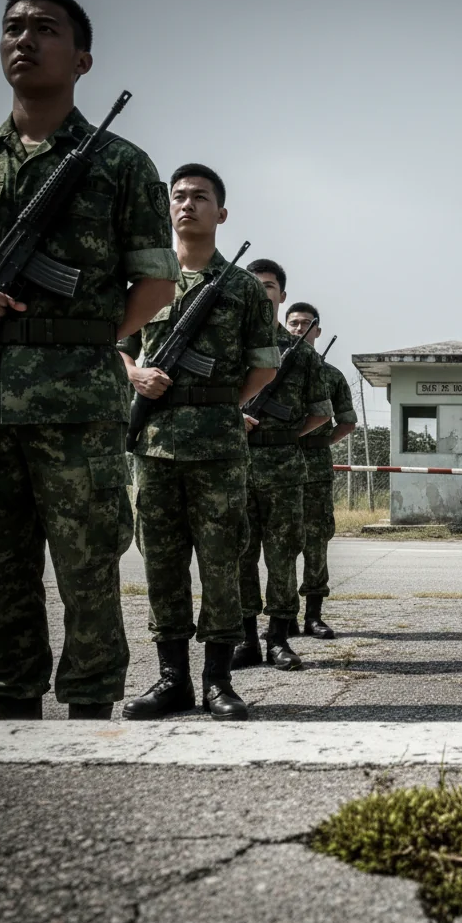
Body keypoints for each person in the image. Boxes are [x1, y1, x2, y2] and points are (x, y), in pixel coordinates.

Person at [0, 0, 177, 721]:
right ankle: (13, 715)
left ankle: (88, 722)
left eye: (45, 28)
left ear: (81, 59)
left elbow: (156, 284)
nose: (24, 39)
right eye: (13, 27)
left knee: (88, 574)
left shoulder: (120, 163)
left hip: (79, 406)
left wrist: (85, 337)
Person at [119, 165, 280, 721]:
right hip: (155, 444)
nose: (188, 204)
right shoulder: (146, 278)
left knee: (220, 562)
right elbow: (116, 345)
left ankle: (217, 681)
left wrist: (220, 402)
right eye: (179, 196)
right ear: (168, 208)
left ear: (221, 213)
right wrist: (135, 375)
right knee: (162, 563)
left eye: (201, 197)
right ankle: (172, 680)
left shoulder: (242, 287)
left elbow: (265, 365)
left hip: (217, 448)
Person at [233, 295, 332, 670]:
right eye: (257, 286)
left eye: (270, 286)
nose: (263, 293)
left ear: (281, 294)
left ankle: (277, 638)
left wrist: (286, 435)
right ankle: (246, 639)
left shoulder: (303, 355)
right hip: (238, 465)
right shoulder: (232, 342)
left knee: (282, 556)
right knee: (241, 556)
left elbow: (321, 413)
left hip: (284, 470)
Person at [296, 308, 358, 639]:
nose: (298, 329)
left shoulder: (330, 375)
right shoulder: (268, 370)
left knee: (316, 540)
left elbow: (347, 421)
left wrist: (319, 441)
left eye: (306, 324)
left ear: (317, 331)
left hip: (314, 469)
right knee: (273, 543)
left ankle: (313, 615)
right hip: (269, 466)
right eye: (293, 323)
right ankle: (281, 617)